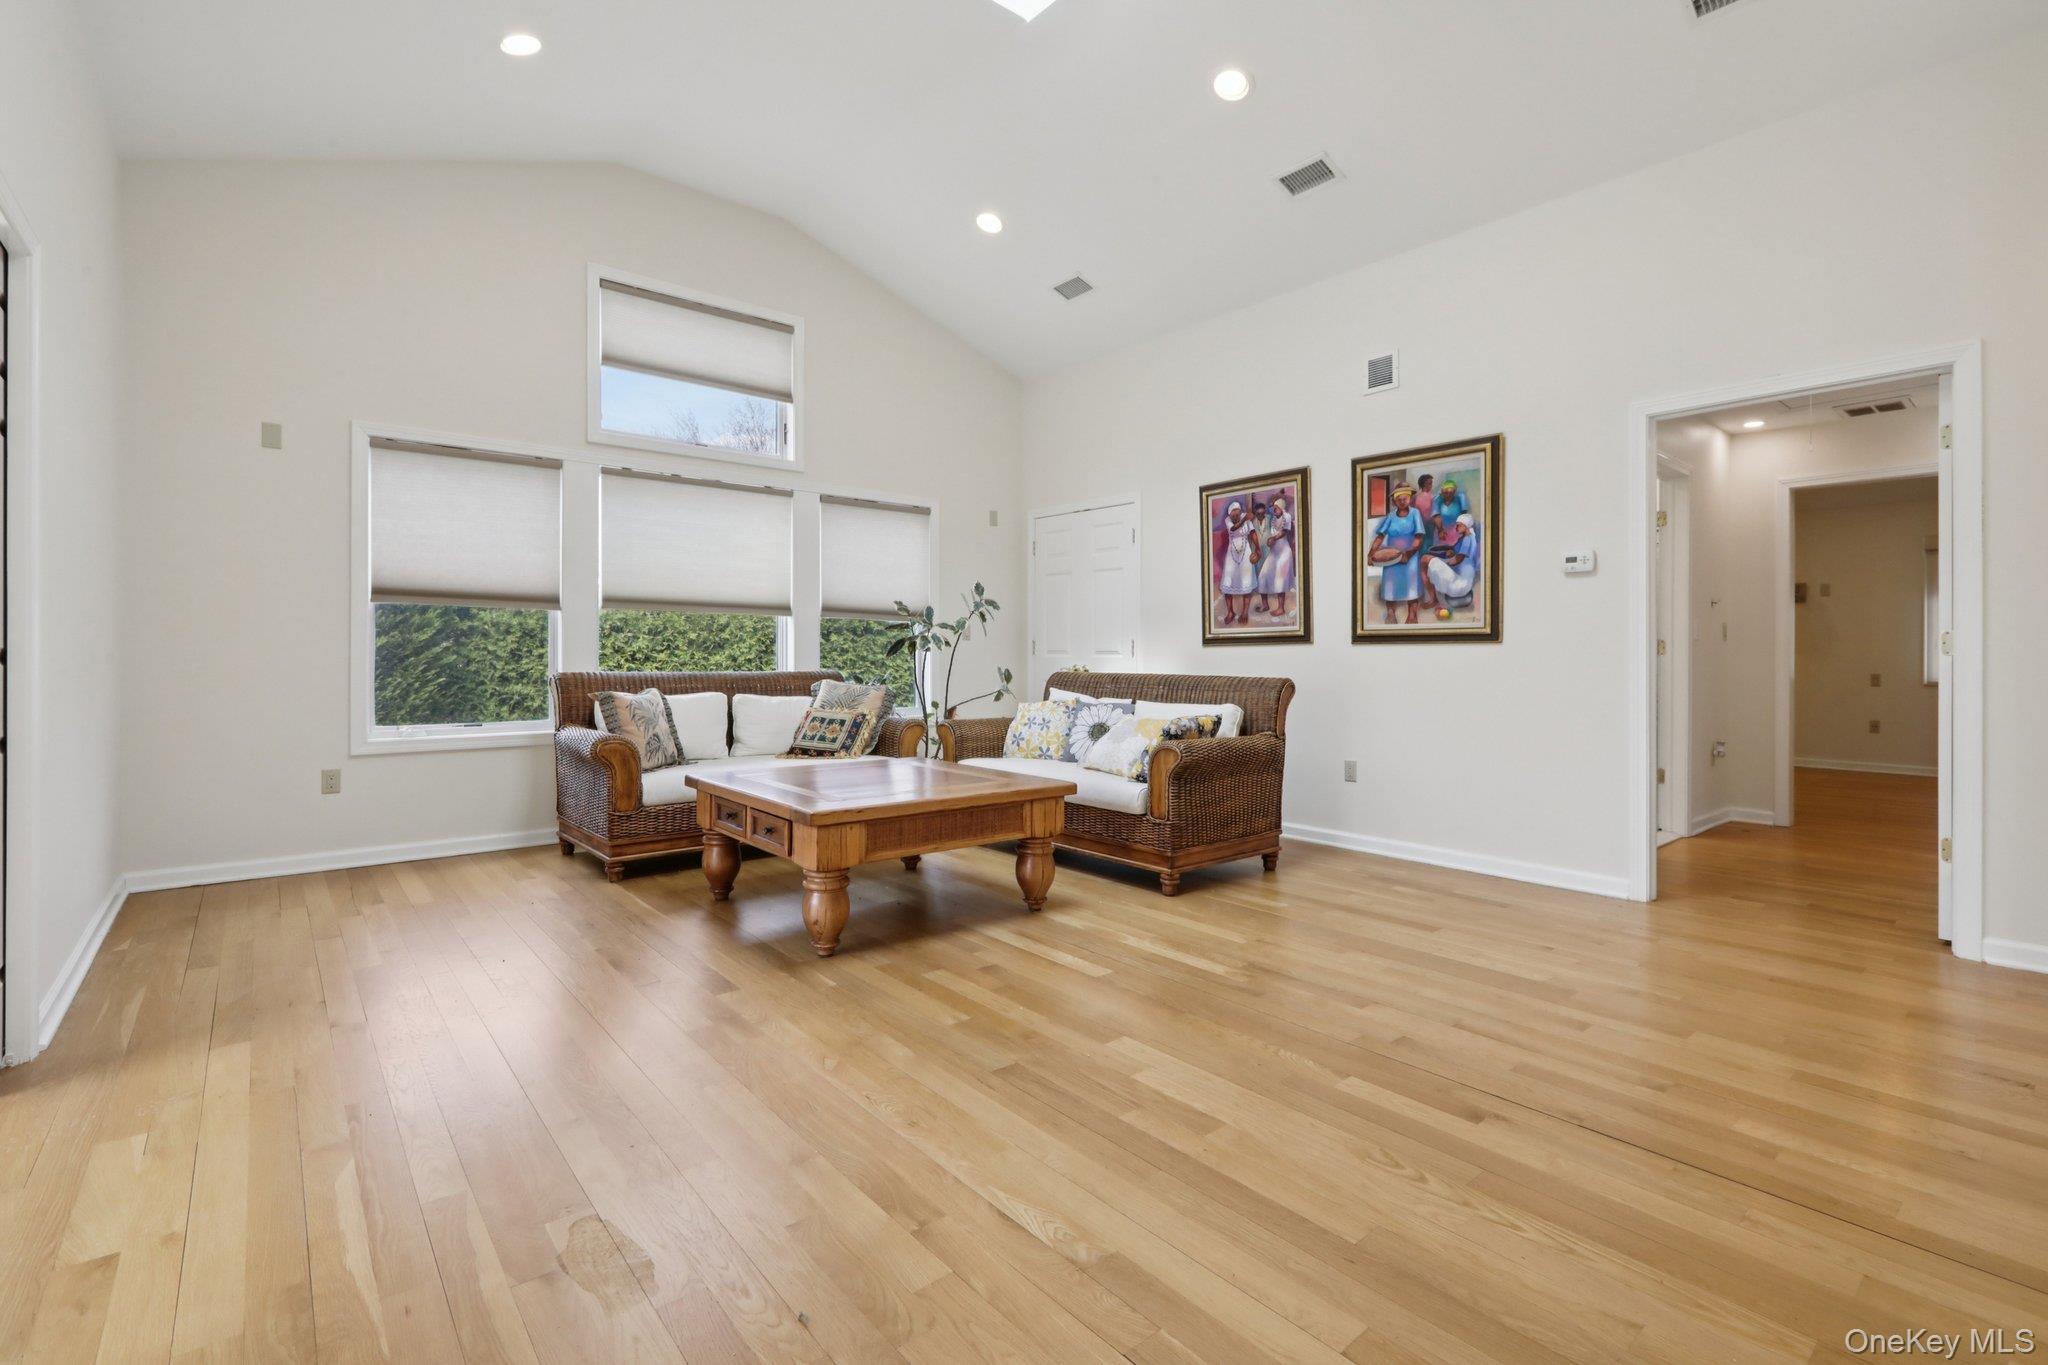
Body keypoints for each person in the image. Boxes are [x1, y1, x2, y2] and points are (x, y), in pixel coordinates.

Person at [1368, 483, 1428, 624]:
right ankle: (1391, 613)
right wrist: (1371, 553)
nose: (1402, 501)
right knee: (1390, 586)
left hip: (1410, 556)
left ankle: (1412, 614)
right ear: (1394, 500)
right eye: (1399, 499)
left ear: (1410, 498)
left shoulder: (1415, 513)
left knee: (1411, 586)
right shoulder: (1390, 516)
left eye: (1405, 498)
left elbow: (1419, 537)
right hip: (1392, 556)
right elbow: (1380, 536)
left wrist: (1409, 553)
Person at [1423, 512, 1481, 613]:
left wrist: (1442, 562)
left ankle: (1433, 599)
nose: (1456, 527)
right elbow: (1456, 552)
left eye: (1459, 525)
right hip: (1463, 583)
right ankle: (1434, 598)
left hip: (1459, 584)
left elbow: (1457, 559)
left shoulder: (1467, 539)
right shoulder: (1468, 537)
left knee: (1425, 559)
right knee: (1431, 561)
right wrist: (1451, 552)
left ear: (1466, 526)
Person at [1217, 500, 1261, 625]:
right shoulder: (1228, 520)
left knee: (1246, 583)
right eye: (1233, 515)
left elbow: (1253, 534)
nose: (1236, 517)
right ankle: (1230, 612)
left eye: (1238, 514)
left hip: (1246, 554)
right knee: (1227, 583)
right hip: (1231, 555)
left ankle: (1245, 612)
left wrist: (1257, 548)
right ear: (1230, 514)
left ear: (1240, 512)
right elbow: (1233, 528)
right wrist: (1245, 519)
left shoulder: (1245, 517)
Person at [1255, 492, 1296, 619]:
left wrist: (1273, 538)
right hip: (1274, 553)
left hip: (1283, 553)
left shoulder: (1287, 517)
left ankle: (1281, 608)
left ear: (1282, 508)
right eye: (1274, 508)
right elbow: (1267, 509)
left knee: (1280, 580)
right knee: (1262, 576)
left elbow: (1283, 532)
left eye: (1276, 508)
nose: (1274, 510)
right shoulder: (1273, 518)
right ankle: (1265, 605)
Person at [1433, 478, 1470, 545]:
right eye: (1446, 493)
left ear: (1454, 492)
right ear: (1442, 492)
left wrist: (1462, 530)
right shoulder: (1437, 500)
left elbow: (1464, 516)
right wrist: (1440, 530)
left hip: (1457, 531)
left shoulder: (1460, 498)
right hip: (1442, 531)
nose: (1448, 495)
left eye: (1451, 492)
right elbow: (1436, 516)